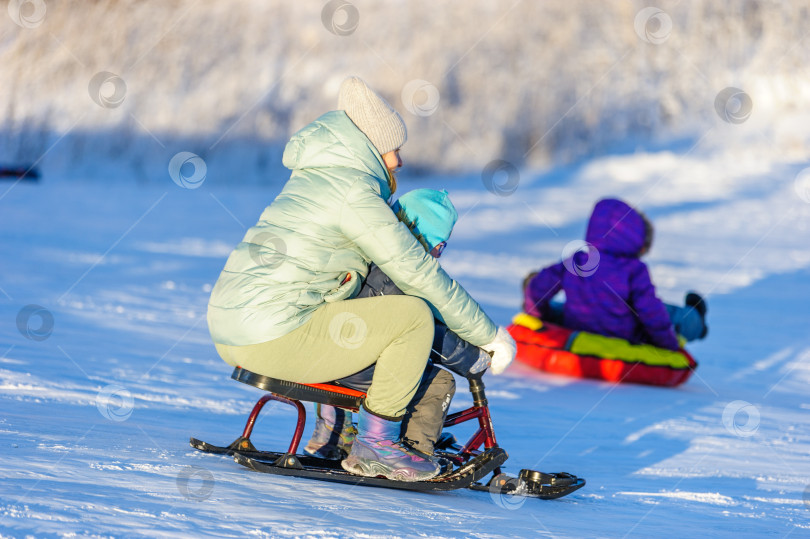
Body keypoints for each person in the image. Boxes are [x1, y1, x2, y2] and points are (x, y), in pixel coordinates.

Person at [207, 76, 516, 482]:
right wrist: (490, 335)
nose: (399, 162)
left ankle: (347, 434)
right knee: (412, 315)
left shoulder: (318, 178)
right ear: (370, 146)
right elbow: (417, 272)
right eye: (394, 149)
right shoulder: (353, 191)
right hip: (273, 333)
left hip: (232, 330)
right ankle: (376, 446)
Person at [304, 189, 495, 461]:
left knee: (405, 364)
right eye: (440, 244)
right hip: (351, 362)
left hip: (327, 349)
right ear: (422, 236)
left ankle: (332, 435)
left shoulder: (371, 258)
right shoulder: (403, 274)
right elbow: (427, 331)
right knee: (437, 382)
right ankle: (411, 452)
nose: (439, 255)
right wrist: (471, 359)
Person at [523, 198, 708, 351]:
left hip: (578, 324)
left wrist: (541, 315)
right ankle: (697, 321)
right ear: (635, 241)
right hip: (623, 334)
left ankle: (556, 313)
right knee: (669, 314)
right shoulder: (634, 269)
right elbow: (651, 312)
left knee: (562, 308)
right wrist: (669, 346)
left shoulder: (577, 260)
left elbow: (536, 291)